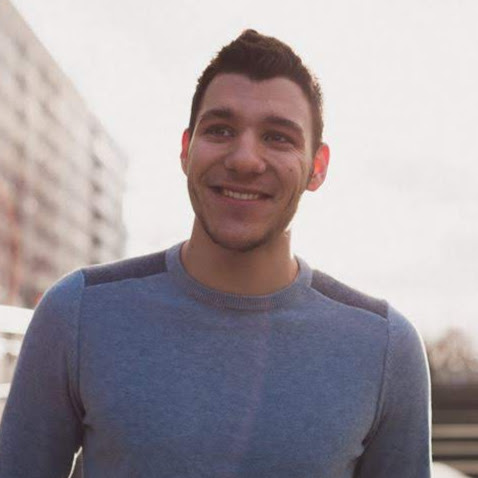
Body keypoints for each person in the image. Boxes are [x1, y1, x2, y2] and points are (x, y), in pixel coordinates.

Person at [0, 30, 431, 477]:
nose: (245, 159)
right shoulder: (78, 313)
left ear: (317, 168)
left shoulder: (385, 347)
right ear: (185, 150)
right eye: (221, 130)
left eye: (278, 137)